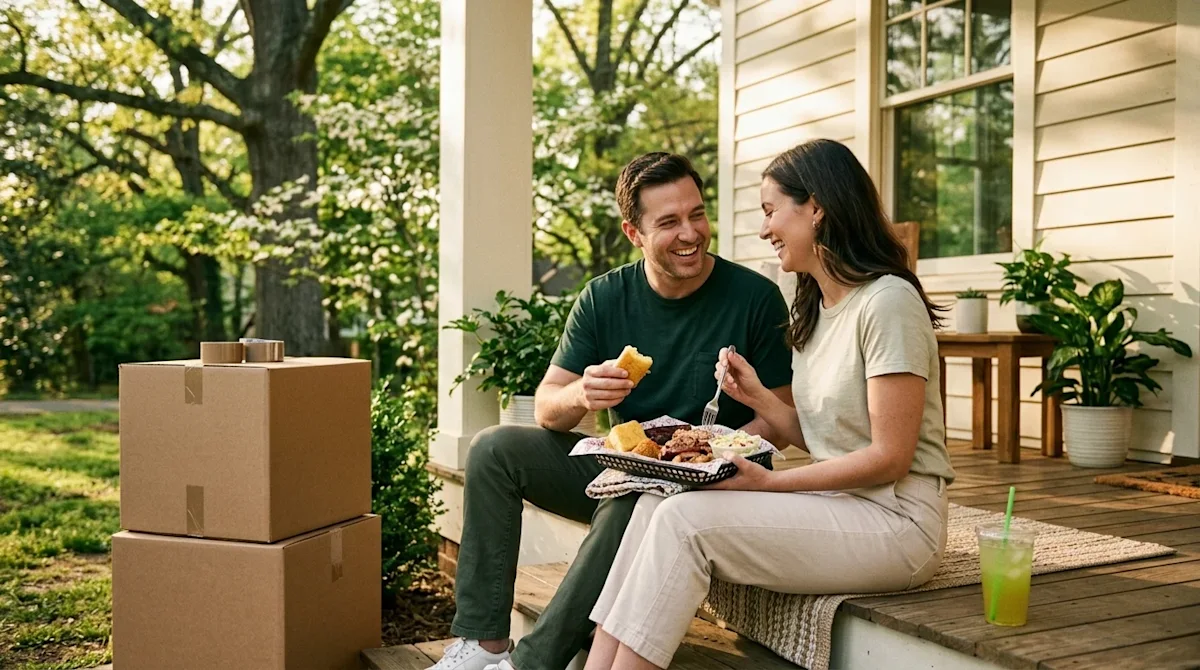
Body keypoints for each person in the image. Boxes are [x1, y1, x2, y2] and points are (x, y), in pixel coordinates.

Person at [583, 138, 957, 670]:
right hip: (846, 503)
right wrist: (756, 396)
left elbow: (890, 457)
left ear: (817, 208)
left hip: (898, 521)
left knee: (683, 522)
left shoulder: (888, 301)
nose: (763, 229)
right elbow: (829, 436)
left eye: (769, 211)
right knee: (654, 503)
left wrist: (769, 482)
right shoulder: (820, 306)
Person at [430, 152, 795, 670]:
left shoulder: (754, 298)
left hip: (720, 485)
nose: (690, 232)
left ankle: (529, 666)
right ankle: (482, 643)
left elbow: (783, 418)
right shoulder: (603, 297)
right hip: (621, 466)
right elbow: (549, 408)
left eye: (696, 214)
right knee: (494, 448)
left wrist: (709, 458)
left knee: (634, 498)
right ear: (634, 232)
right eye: (668, 222)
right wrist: (582, 394)